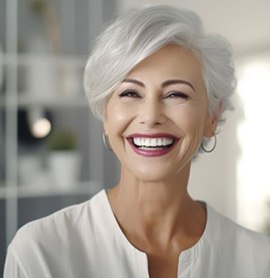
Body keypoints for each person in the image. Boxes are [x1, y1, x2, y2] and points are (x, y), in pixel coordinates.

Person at [4, 5, 270, 278]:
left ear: (212, 117)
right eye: (130, 93)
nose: (151, 116)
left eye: (176, 94)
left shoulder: (258, 260)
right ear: (105, 114)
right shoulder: (39, 251)